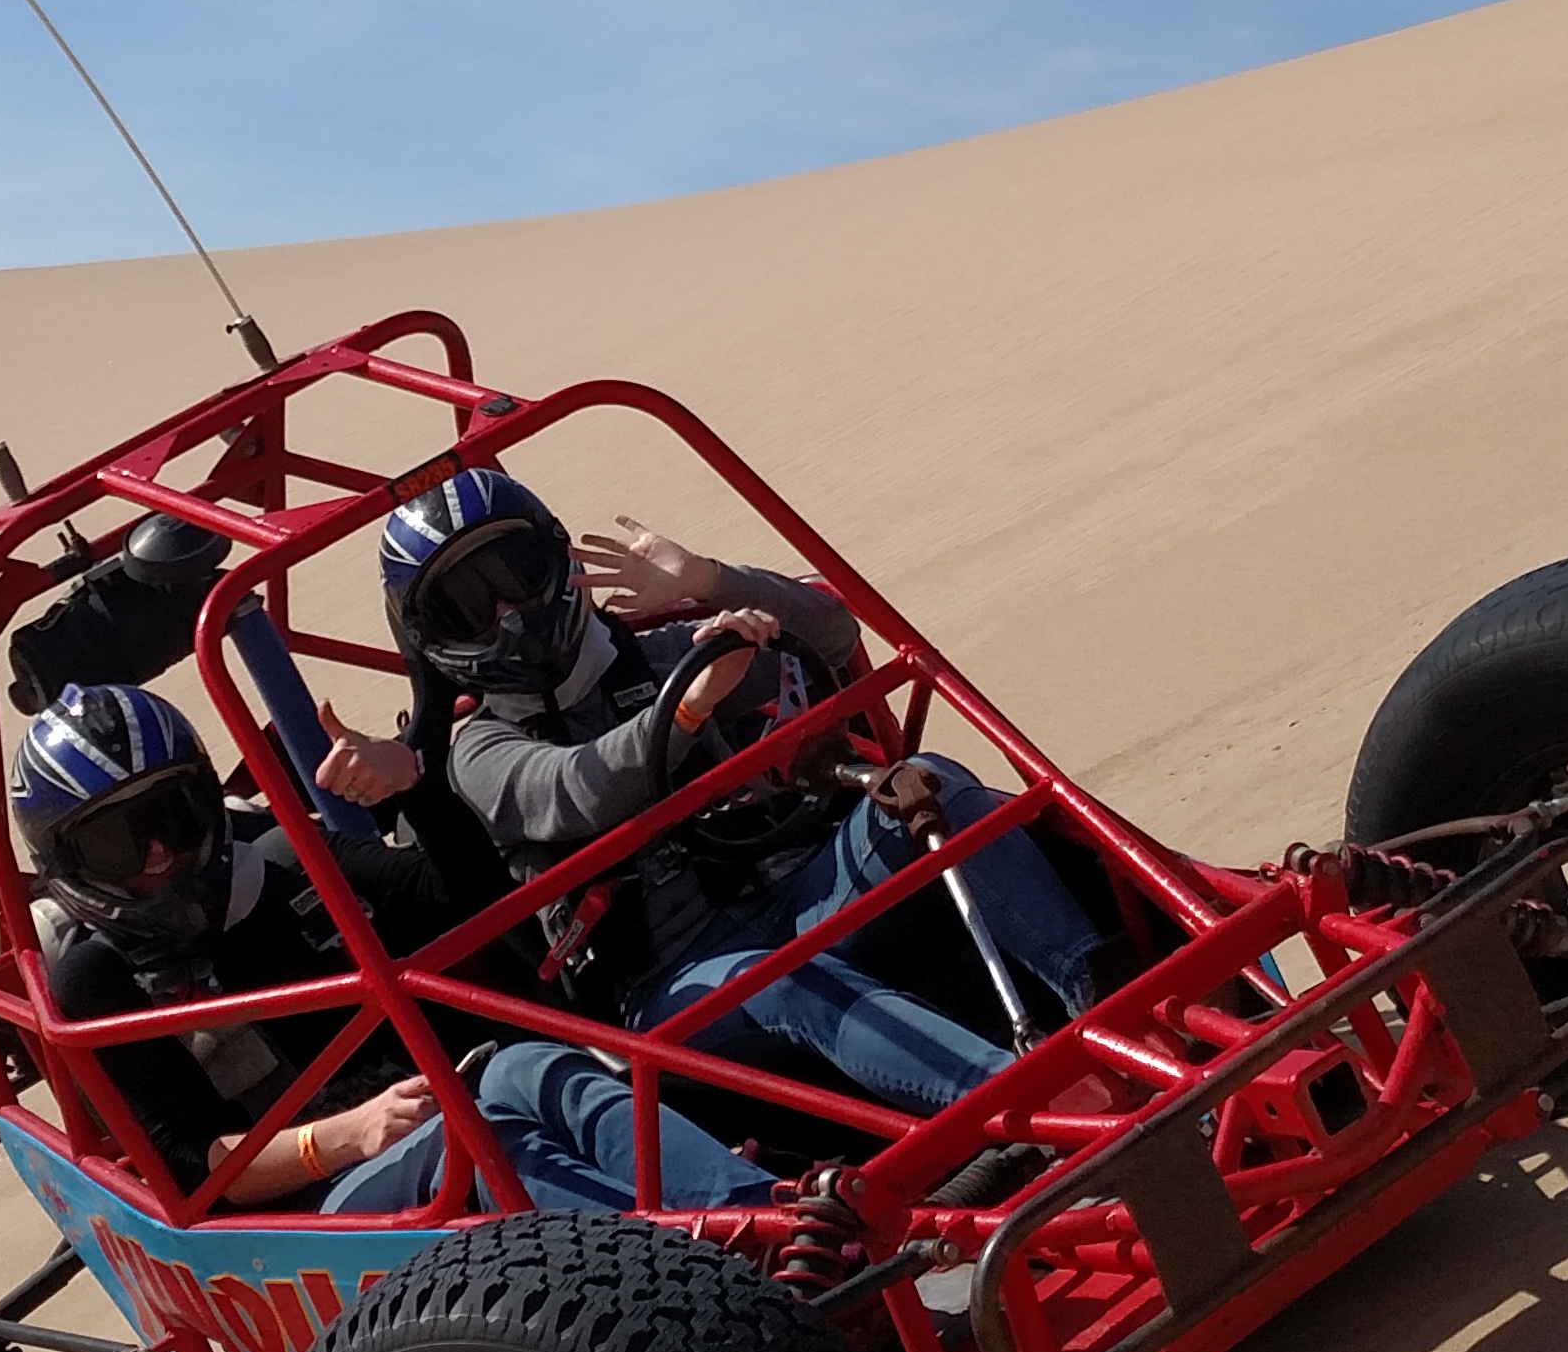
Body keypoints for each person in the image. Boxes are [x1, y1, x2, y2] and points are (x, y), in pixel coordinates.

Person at [378, 468, 1113, 1118]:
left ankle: (1110, 1000)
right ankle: (1026, 1107)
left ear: (558, 561)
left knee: (931, 783)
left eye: (514, 573)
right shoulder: (478, 750)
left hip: (801, 896)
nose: (509, 613)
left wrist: (712, 584)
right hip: (674, 987)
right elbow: (579, 790)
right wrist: (690, 709)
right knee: (779, 977)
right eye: (470, 605)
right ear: (430, 636)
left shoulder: (664, 652)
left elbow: (829, 634)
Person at [9, 683, 767, 1220]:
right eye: (117, 843)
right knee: (484, 1134)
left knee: (540, 1066)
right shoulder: (97, 982)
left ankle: (752, 1217)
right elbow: (188, 1169)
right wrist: (347, 1134)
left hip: (445, 1108)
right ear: (70, 861)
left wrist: (411, 788)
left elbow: (471, 901)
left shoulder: (284, 864)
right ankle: (702, 1269)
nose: (157, 856)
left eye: (171, 817)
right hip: (306, 1209)